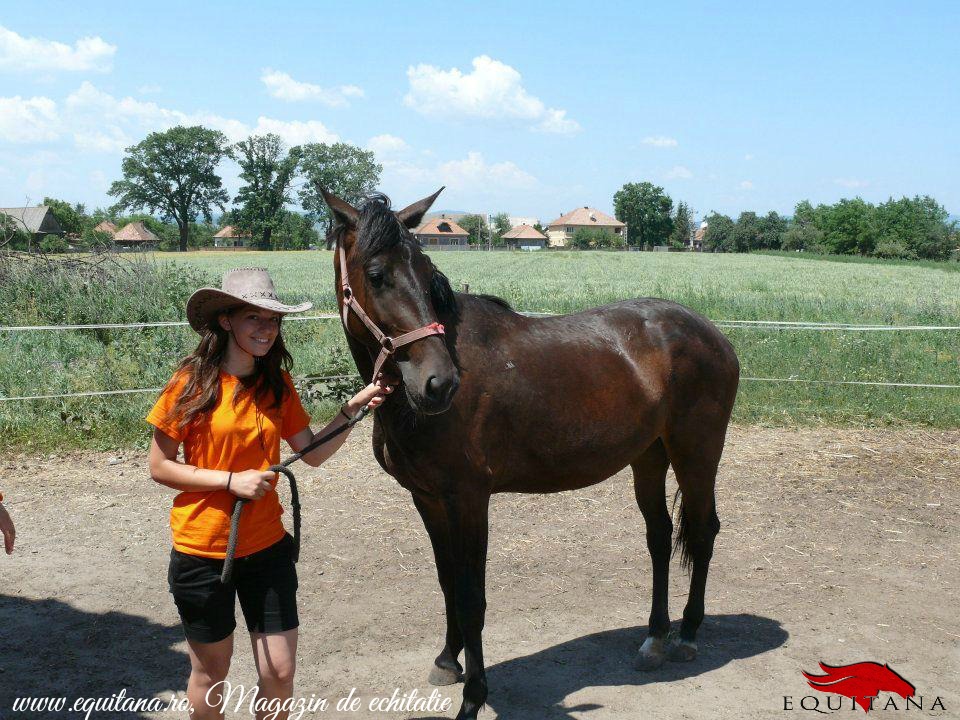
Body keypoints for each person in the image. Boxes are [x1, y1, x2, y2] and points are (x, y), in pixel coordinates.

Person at [147, 267, 391, 720]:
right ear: (226, 321)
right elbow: (159, 467)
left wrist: (349, 411)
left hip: (267, 547)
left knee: (279, 671)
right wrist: (229, 481)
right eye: (253, 319)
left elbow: (311, 454)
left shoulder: (277, 385)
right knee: (210, 674)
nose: (266, 329)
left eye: (272, 320)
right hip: (203, 552)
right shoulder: (190, 383)